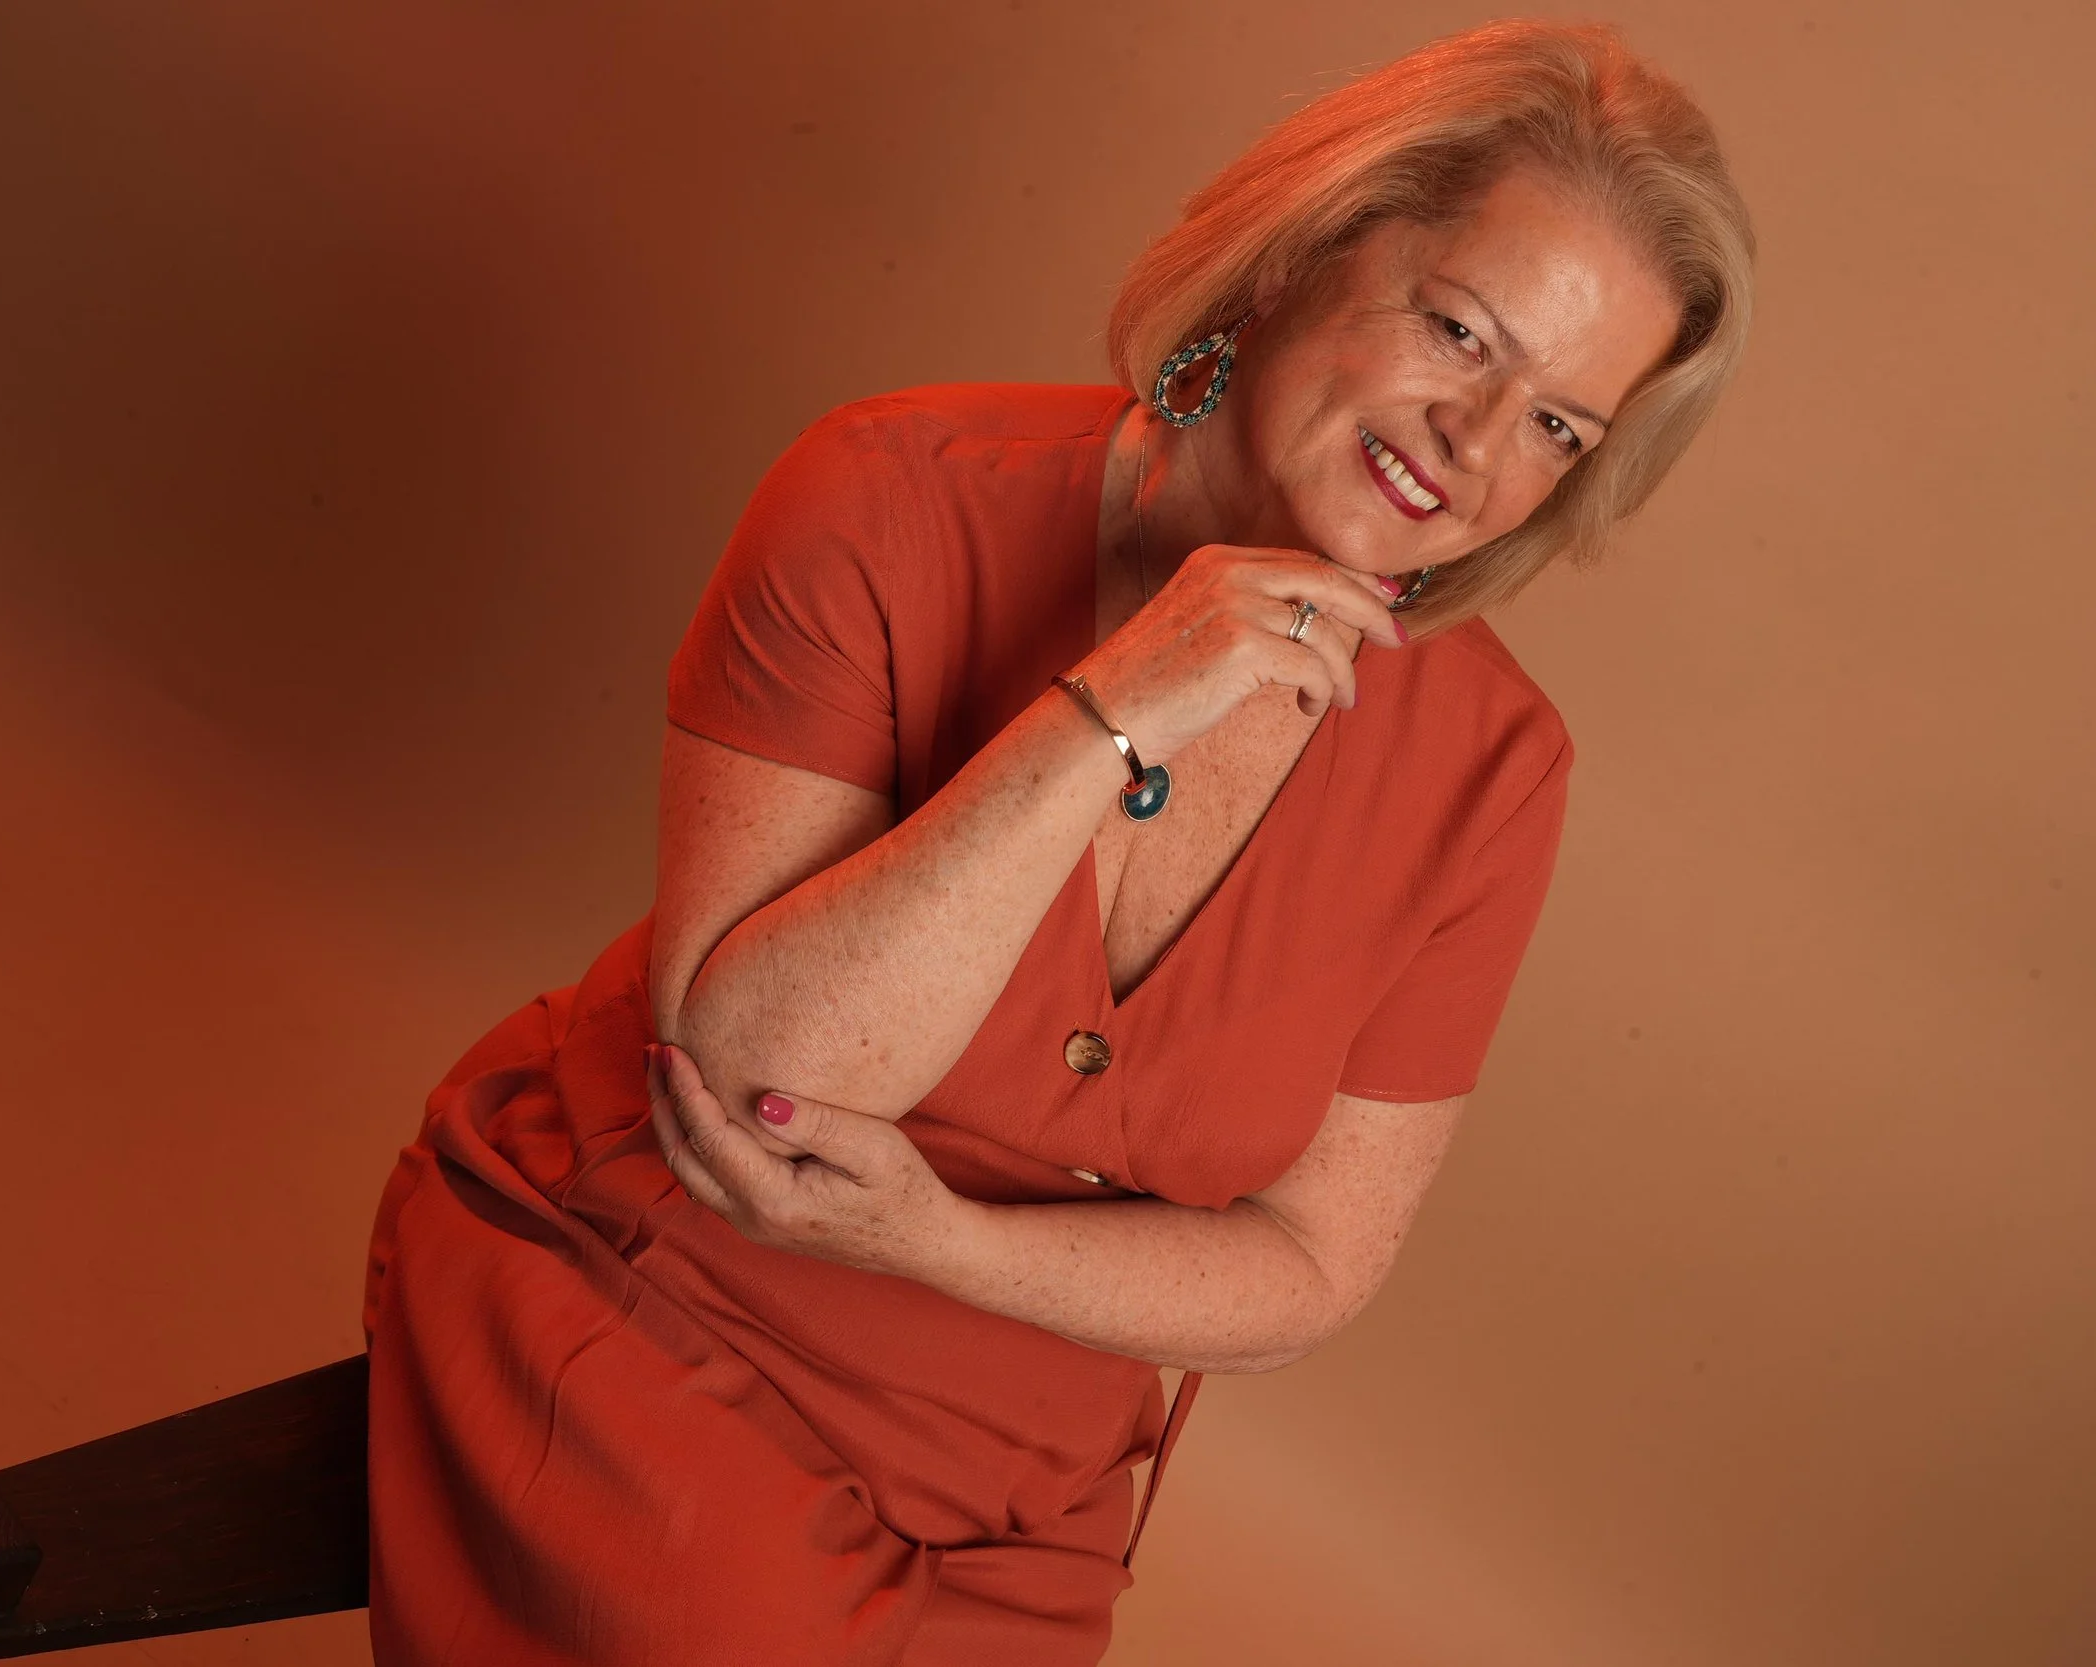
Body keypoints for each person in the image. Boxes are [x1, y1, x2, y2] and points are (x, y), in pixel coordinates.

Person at [361, 19, 1753, 1665]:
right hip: (660, 1317)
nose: (1474, 445)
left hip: (1026, 1492)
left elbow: (1308, 1263)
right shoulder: (890, 493)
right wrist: (1111, 712)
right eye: (1459, 329)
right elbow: (754, 1078)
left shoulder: (1493, 768)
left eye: (1558, 428)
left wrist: (939, 1242)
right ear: (1302, 251)